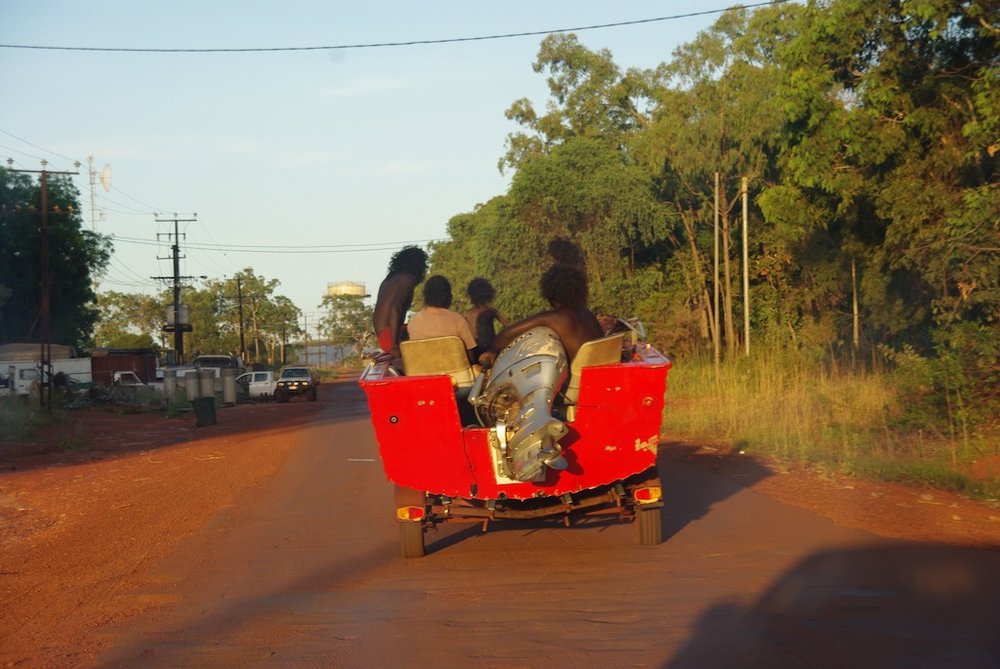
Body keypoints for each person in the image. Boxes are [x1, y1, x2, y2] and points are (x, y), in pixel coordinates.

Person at [478, 262, 603, 369]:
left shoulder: (553, 318)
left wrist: (491, 351)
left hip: (577, 383)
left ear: (550, 294)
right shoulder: (588, 315)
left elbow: (506, 335)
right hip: (597, 376)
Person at [372, 246, 428, 361]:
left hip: (383, 335)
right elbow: (394, 308)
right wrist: (394, 345)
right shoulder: (406, 279)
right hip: (390, 337)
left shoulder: (390, 279)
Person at [407, 275, 477, 361]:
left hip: (423, 372)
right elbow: (471, 357)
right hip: (455, 373)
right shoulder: (457, 320)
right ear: (448, 296)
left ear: (426, 296)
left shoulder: (414, 322)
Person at [464, 277, 508, 359]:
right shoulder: (490, 311)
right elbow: (508, 325)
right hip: (489, 350)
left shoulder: (467, 314)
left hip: (474, 351)